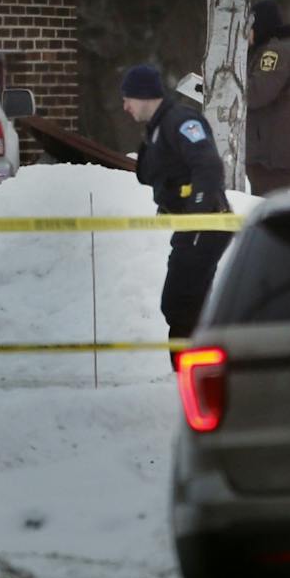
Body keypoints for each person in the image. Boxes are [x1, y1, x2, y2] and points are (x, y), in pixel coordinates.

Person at [121, 64, 233, 358]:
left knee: (180, 303)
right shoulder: (158, 129)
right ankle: (197, 369)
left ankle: (189, 372)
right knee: (186, 304)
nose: (125, 106)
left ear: (144, 96)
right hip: (193, 225)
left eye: (128, 98)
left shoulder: (180, 121)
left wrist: (196, 211)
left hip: (206, 223)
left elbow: (208, 166)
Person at [246, 0, 290, 196]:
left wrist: (224, 88)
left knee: (266, 213)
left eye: (248, 27)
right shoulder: (280, 49)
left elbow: (256, 93)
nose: (245, 34)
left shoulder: (276, 52)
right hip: (271, 152)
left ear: (260, 26)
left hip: (270, 157)